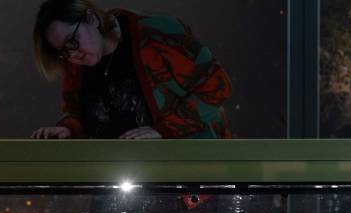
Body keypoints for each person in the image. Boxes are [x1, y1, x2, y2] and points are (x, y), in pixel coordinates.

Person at [31, 0, 232, 139]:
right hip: (119, 183)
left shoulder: (158, 34)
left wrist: (163, 130)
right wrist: (67, 129)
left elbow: (217, 86)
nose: (73, 55)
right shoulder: (75, 66)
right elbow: (75, 112)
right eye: (63, 51)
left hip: (185, 179)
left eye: (72, 41)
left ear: (92, 18)